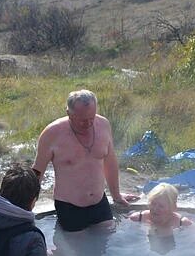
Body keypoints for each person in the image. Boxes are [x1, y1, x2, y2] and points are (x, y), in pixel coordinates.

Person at [32, 89, 137, 232]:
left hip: (99, 201)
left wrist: (116, 195)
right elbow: (37, 172)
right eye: (82, 120)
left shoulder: (103, 125)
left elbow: (110, 162)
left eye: (91, 118)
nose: (88, 124)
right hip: (69, 205)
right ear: (69, 114)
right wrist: (27, 206)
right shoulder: (52, 134)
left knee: (107, 237)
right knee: (75, 248)